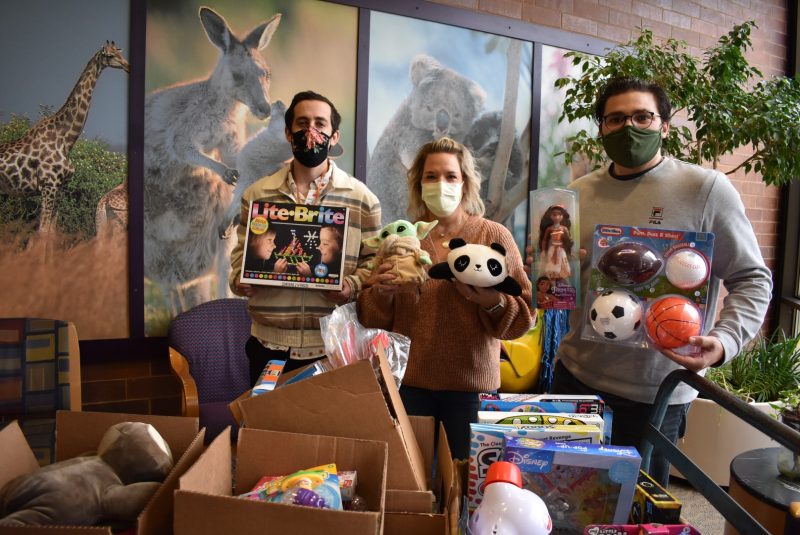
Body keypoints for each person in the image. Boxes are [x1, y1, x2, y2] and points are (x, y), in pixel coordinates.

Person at [546, 77, 772, 488]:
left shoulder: (705, 190)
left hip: (660, 392)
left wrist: (724, 342)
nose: (628, 127)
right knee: (566, 500)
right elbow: (559, 290)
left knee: (639, 512)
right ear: (601, 128)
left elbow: (752, 278)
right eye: (615, 119)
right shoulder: (575, 195)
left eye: (642, 116)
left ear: (664, 125)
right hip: (577, 377)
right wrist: (550, 276)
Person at [357, 137, 533, 460]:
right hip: (409, 386)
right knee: (413, 482)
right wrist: (381, 291)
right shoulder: (402, 239)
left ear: (464, 183)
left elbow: (522, 318)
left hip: (471, 390)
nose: (441, 184)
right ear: (418, 183)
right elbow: (370, 317)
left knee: (465, 484)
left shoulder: (494, 236)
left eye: (451, 176)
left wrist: (490, 301)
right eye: (431, 176)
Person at [230, 90, 381, 384]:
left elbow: (374, 262)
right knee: (267, 427)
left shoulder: (362, 199)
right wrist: (241, 280)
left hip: (332, 345)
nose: (311, 132)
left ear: (334, 136)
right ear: (288, 133)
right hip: (268, 346)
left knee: (324, 429)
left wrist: (351, 286)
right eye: (302, 123)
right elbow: (238, 259)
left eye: (320, 124)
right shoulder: (257, 194)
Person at [538, 204, 573, 280]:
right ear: (551, 216)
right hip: (552, 248)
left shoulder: (564, 228)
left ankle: (561, 275)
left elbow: (569, 239)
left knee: (563, 260)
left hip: (561, 248)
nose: (557, 217)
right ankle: (552, 275)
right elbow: (544, 240)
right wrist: (543, 251)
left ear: (562, 216)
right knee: (551, 261)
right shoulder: (549, 229)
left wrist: (570, 248)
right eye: (554, 215)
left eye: (559, 215)